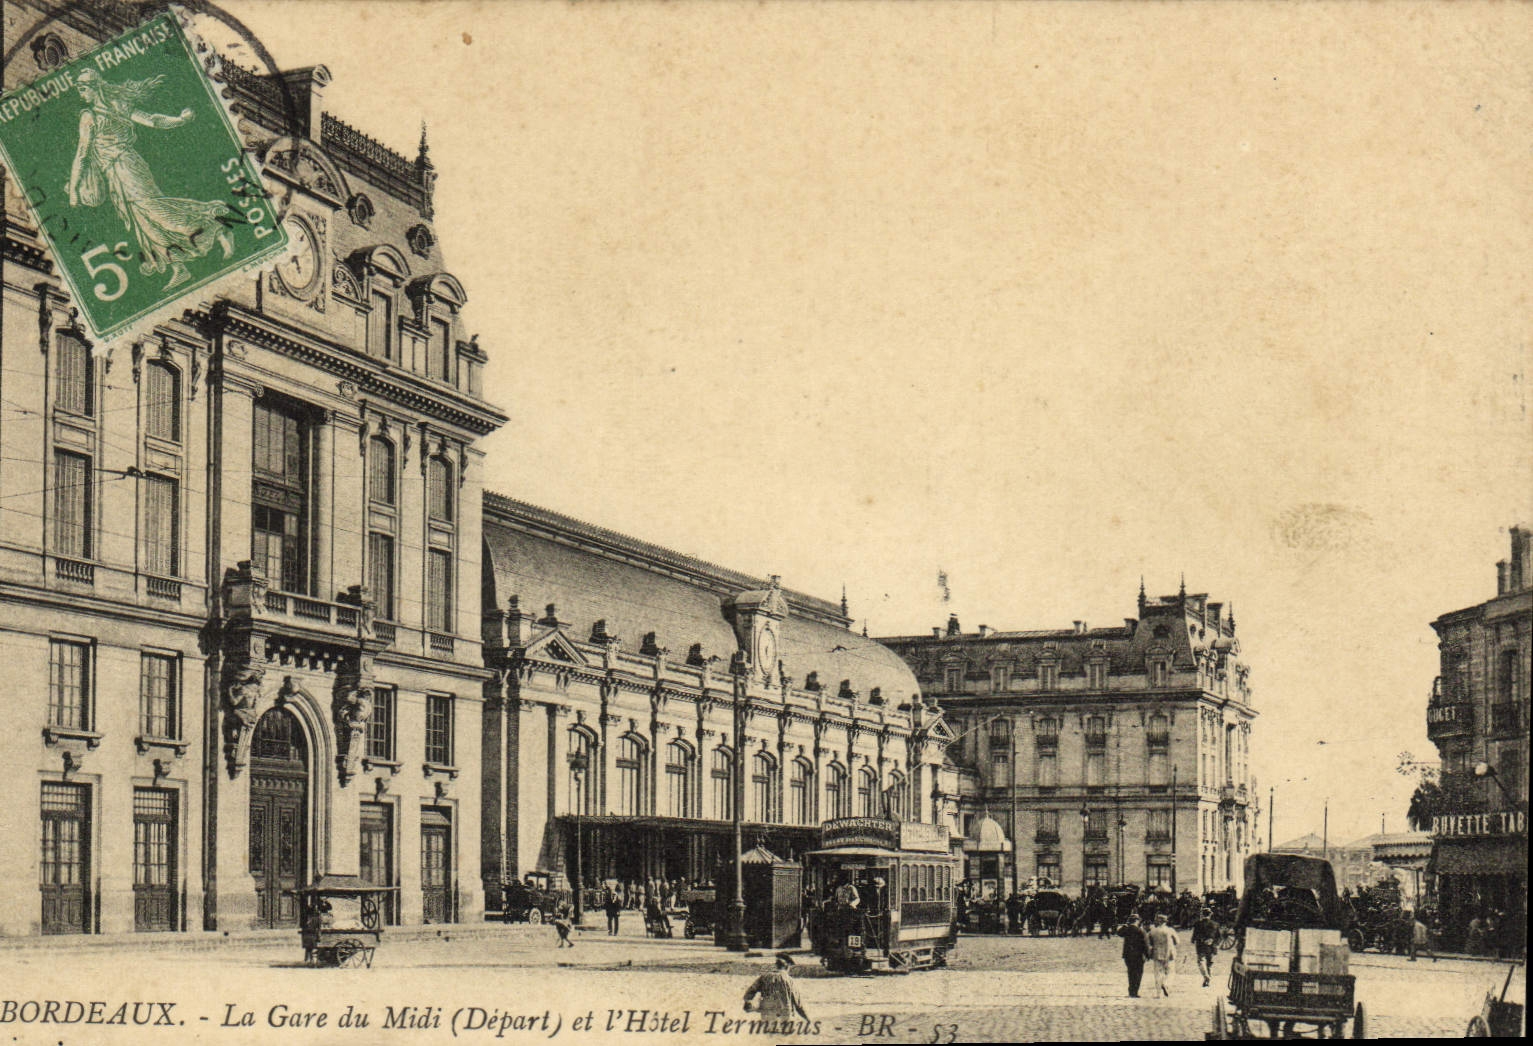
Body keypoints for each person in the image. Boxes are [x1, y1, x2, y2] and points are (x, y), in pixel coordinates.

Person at [66, 69, 236, 291]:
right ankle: (178, 267)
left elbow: (83, 153)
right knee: (142, 222)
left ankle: (215, 228)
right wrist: (180, 120)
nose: (80, 93)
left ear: (95, 86)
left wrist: (73, 191)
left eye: (82, 88)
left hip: (126, 167)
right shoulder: (115, 107)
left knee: (154, 210)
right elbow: (152, 120)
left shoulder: (92, 116)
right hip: (116, 174)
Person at [742, 953, 809, 1020]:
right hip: (785, 1015)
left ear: (776, 966)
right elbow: (798, 1004)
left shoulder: (764, 977)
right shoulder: (789, 980)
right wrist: (807, 1019)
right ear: (787, 966)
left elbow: (751, 991)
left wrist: (747, 1002)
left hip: (767, 1015)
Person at [1119, 913, 1150, 998]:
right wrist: (1148, 955)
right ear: (1137, 921)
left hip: (1128, 955)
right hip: (1138, 956)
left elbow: (1119, 933)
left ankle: (1131, 991)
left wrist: (1125, 925)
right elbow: (1145, 944)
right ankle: (1135, 992)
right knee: (1138, 974)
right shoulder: (1140, 931)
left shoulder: (1127, 929)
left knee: (1130, 973)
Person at [1148, 912, 1178, 997]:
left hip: (1157, 954)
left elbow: (1149, 942)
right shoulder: (1170, 930)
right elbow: (1177, 941)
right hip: (1169, 953)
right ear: (1166, 921)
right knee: (1171, 972)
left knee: (1158, 973)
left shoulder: (1153, 931)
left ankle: (1158, 993)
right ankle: (1166, 984)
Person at [1192, 907, 1219, 987]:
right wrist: (1213, 942)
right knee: (1209, 963)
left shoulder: (1197, 924)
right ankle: (1207, 981)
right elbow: (1219, 937)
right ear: (1210, 915)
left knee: (1201, 961)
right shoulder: (1215, 924)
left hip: (1201, 945)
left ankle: (1206, 977)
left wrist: (1194, 940)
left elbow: (1195, 935)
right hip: (1212, 946)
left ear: (1202, 914)